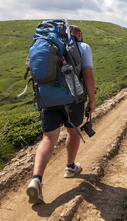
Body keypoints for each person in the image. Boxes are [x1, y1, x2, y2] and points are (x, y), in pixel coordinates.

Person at [26, 25, 96, 204]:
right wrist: (92, 101)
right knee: (73, 132)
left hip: (48, 99)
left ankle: (36, 179)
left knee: (48, 138)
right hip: (73, 99)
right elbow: (88, 76)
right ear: (78, 34)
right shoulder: (83, 47)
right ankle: (70, 167)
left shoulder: (44, 45)